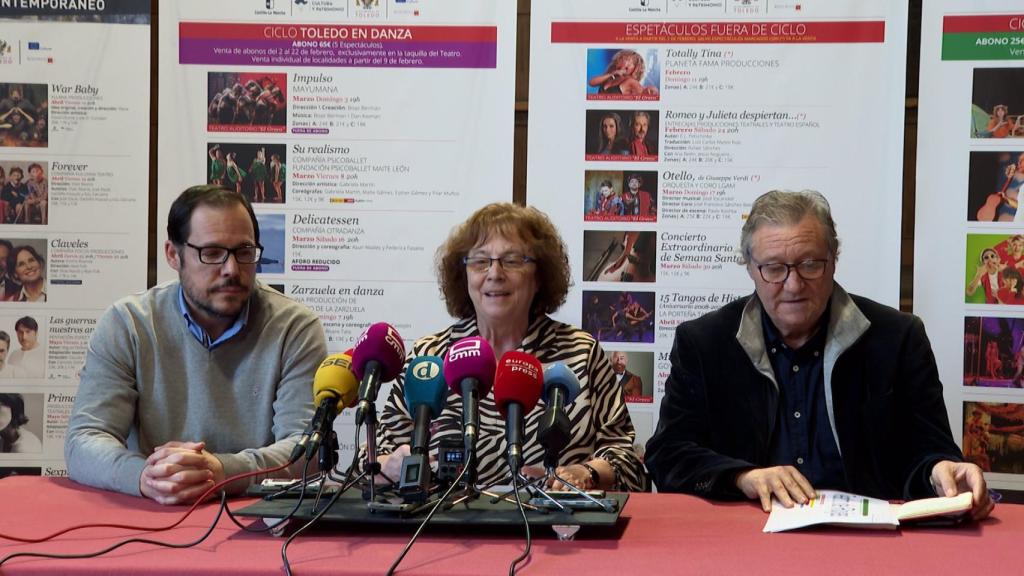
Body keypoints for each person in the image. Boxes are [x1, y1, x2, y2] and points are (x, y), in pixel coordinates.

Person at [646, 190, 993, 520]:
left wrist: (940, 471)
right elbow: (668, 455)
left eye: (810, 264)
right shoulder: (705, 343)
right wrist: (742, 477)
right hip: (747, 536)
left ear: (834, 260)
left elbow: (929, 450)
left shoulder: (898, 338)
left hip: (869, 539)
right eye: (774, 268)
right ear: (750, 267)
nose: (794, 285)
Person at [65, 185, 327, 505]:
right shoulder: (128, 324)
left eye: (244, 252)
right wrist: (145, 476)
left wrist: (223, 471)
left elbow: (309, 450)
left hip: (254, 519)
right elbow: (84, 441)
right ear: (173, 255)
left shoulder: (294, 328)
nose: (232, 269)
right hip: (152, 511)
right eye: (212, 253)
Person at [374, 203, 646, 491]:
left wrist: (586, 472)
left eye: (513, 260)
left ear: (539, 275)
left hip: (556, 529)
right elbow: (374, 460)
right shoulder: (430, 357)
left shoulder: (581, 353)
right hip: (445, 530)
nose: (494, 273)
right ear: (463, 273)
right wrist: (391, 466)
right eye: (480, 261)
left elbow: (627, 462)